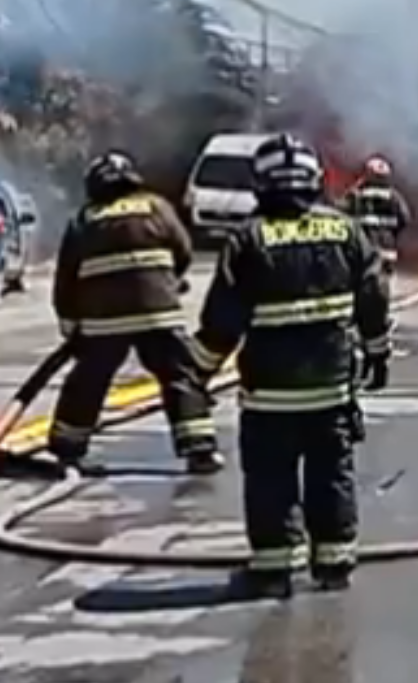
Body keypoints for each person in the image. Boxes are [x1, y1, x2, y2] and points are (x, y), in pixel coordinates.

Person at [190, 133, 393, 599]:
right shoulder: (345, 231)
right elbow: (374, 299)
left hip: (269, 395)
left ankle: (274, 569)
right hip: (331, 389)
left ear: (262, 184)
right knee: (332, 474)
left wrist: (198, 374)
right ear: (313, 179)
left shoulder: (248, 239)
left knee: (270, 480)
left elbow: (221, 320)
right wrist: (378, 353)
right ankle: (334, 565)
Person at [47, 150, 220, 474]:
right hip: (159, 313)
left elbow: (66, 276)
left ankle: (67, 449)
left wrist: (69, 322)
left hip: (104, 320)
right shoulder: (157, 207)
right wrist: (169, 281)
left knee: (88, 381)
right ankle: (199, 450)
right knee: (181, 376)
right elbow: (183, 251)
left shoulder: (85, 219)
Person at [342, 156, 413, 276]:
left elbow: (342, 215)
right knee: (385, 283)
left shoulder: (356, 195)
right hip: (387, 249)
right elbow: (405, 218)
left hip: (364, 249)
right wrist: (392, 234)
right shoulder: (394, 197)